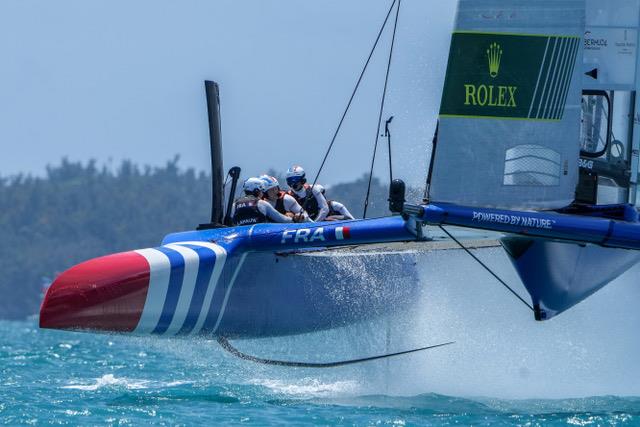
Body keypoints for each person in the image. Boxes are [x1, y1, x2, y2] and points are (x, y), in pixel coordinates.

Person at [232, 177, 298, 226]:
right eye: (261, 191)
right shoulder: (262, 203)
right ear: (256, 191)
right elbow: (281, 219)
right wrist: (294, 219)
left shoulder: (234, 205)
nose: (263, 193)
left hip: (241, 235)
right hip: (260, 235)